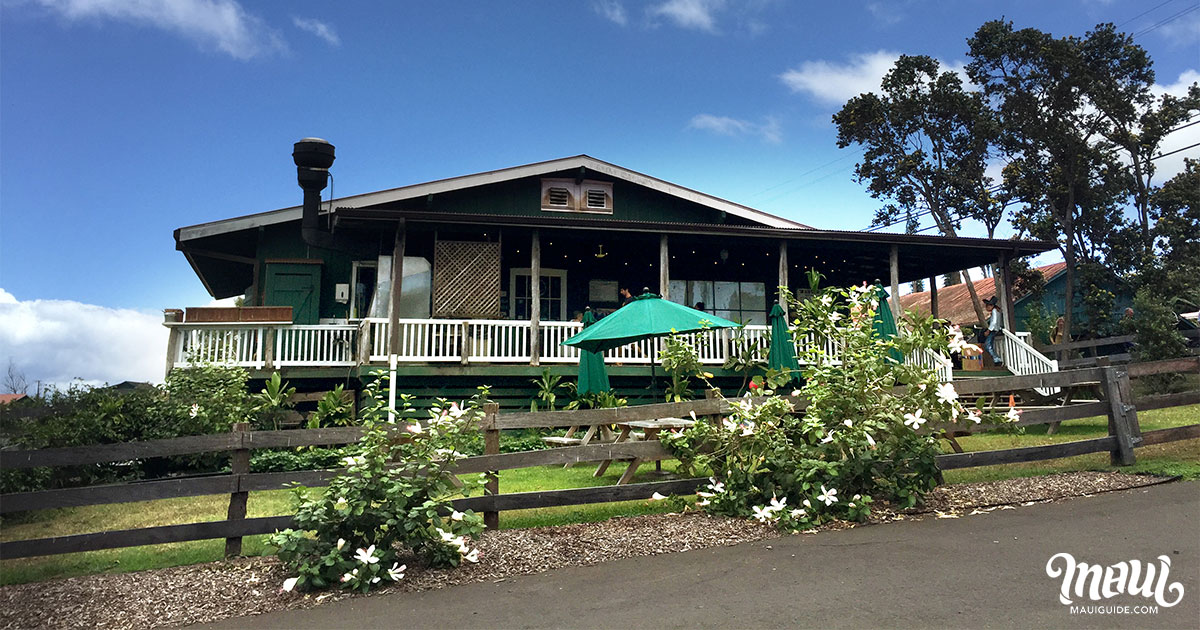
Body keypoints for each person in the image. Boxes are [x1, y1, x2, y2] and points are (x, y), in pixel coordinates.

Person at [983, 296, 1003, 367]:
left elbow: (994, 322)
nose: (986, 308)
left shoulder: (994, 311)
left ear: (991, 306)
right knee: (990, 345)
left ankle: (997, 359)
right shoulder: (997, 311)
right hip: (996, 330)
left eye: (987, 306)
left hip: (993, 330)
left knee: (987, 345)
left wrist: (988, 330)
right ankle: (996, 359)